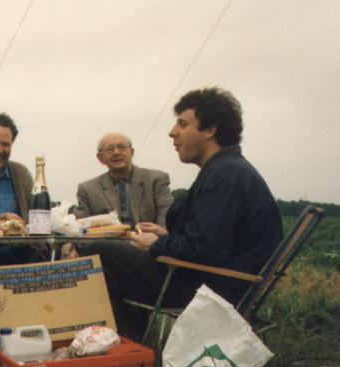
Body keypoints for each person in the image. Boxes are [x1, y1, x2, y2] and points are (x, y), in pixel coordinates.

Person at [84, 87, 283, 339]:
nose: (172, 132)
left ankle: (128, 347)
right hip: (218, 280)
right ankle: (130, 344)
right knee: (114, 255)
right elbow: (214, 237)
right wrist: (166, 235)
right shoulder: (228, 169)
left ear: (210, 130)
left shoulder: (224, 176)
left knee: (97, 252)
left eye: (183, 124)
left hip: (208, 288)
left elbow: (203, 248)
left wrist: (156, 243)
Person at [74, 132, 173, 227]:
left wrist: (158, 235)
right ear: (100, 158)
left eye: (122, 147)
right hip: (107, 238)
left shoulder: (156, 180)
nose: (116, 152)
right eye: (109, 149)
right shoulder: (87, 189)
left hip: (151, 238)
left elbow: (167, 219)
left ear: (131, 152)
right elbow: (80, 227)